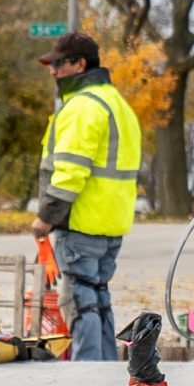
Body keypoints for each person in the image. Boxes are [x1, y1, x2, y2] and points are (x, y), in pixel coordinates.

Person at [32, 31, 143, 360]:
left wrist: (45, 218)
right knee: (98, 297)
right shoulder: (118, 104)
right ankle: (105, 367)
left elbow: (70, 173)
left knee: (81, 300)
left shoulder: (82, 107)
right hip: (111, 222)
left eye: (59, 64)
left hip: (81, 221)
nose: (53, 71)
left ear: (80, 64)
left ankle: (87, 371)